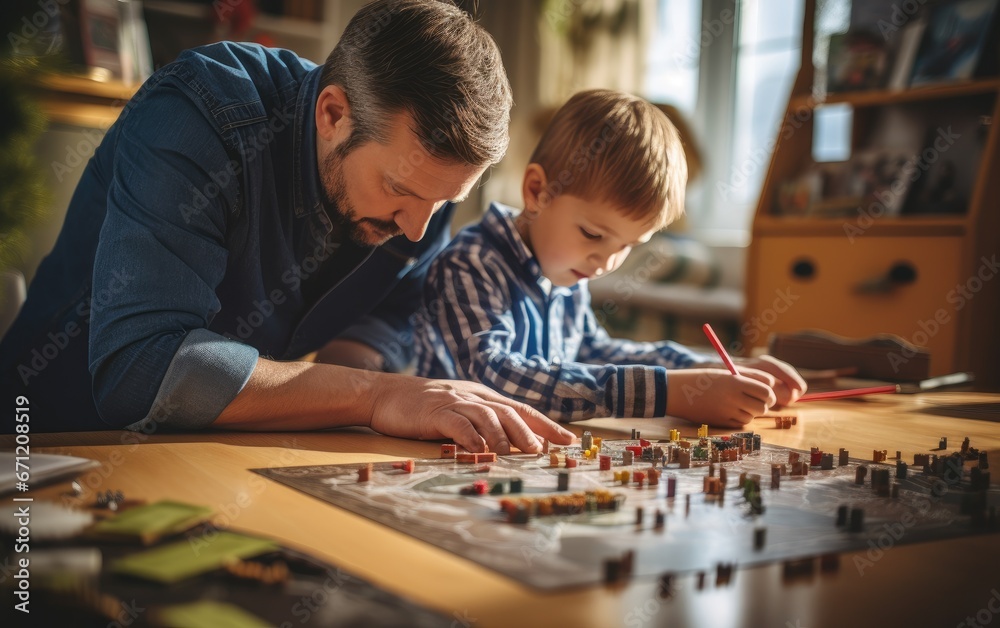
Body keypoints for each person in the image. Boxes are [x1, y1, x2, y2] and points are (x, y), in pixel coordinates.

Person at [0, 0, 574, 453]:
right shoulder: (202, 114)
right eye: (400, 192)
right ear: (332, 114)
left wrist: (359, 370)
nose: (418, 229)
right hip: (45, 449)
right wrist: (374, 397)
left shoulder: (422, 184)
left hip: (213, 457)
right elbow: (138, 369)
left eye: (445, 200)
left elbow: (395, 305)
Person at [414, 89, 807, 427]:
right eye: (593, 234)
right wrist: (667, 394)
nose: (605, 261)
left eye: (627, 245)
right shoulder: (471, 263)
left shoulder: (565, 274)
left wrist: (711, 369)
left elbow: (594, 350)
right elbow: (495, 377)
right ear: (537, 191)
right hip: (446, 454)